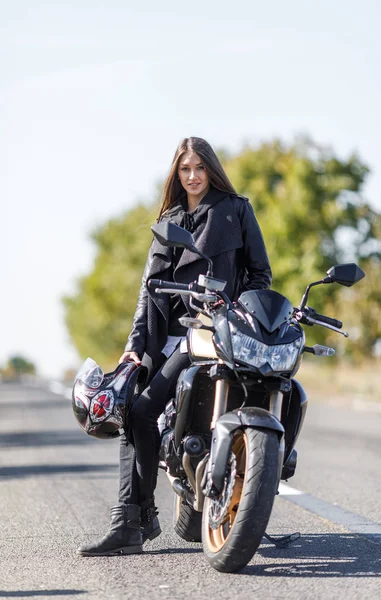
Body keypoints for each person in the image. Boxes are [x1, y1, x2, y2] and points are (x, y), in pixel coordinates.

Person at [77, 136, 272, 556]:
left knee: (148, 408)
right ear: (176, 174)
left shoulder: (235, 210)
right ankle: (133, 520)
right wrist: (133, 346)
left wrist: (237, 311)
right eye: (185, 169)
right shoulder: (170, 218)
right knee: (136, 409)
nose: (193, 176)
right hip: (164, 335)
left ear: (212, 170)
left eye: (200, 168)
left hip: (214, 331)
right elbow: (148, 291)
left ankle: (241, 487)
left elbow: (260, 274)